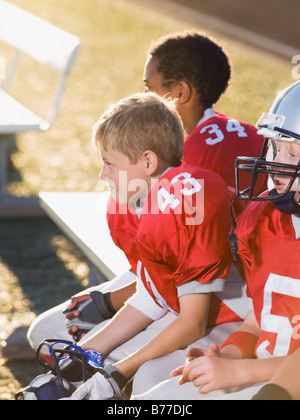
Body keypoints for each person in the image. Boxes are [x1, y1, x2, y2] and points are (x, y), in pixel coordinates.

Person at [28, 30, 263, 348]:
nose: (146, 95)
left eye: (150, 88)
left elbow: (176, 269)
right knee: (56, 332)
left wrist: (108, 300)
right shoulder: (224, 132)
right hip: (189, 278)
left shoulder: (190, 165)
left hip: (218, 293)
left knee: (57, 334)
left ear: (180, 92)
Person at [51, 91, 246, 400]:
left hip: (244, 314)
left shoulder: (186, 203)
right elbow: (154, 294)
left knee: (143, 380)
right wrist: (84, 352)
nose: (103, 175)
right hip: (199, 310)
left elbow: (193, 322)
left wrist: (119, 371)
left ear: (148, 161)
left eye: (110, 164)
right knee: (100, 362)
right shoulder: (140, 202)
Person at [134, 81, 300, 400]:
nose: (276, 163)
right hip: (262, 367)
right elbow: (259, 321)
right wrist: (226, 357)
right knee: (149, 379)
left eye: (292, 152)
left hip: (280, 386)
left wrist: (239, 372)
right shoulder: (264, 217)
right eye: (276, 147)